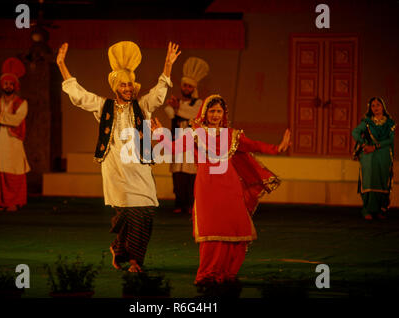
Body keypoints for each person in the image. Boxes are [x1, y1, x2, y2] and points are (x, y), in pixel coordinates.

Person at [57, 41, 181, 272]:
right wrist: (62, 65)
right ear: (115, 87)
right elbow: (79, 95)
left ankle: (119, 247)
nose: (127, 88)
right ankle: (135, 261)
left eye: (130, 84)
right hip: (116, 169)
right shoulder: (104, 107)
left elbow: (159, 92)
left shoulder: (142, 106)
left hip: (140, 169)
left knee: (145, 213)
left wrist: (167, 65)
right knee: (129, 213)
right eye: (123, 85)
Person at [152, 94, 291, 286]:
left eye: (219, 111)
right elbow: (172, 148)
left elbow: (255, 145)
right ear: (205, 112)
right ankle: (207, 273)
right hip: (207, 187)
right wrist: (159, 134)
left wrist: (277, 148)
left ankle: (227, 271)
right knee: (211, 231)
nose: (216, 115)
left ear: (224, 114)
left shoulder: (232, 135)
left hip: (230, 186)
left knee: (236, 229)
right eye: (212, 111)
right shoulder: (195, 133)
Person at [0, 57, 30, 212]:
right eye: (6, 83)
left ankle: (14, 202)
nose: (8, 86)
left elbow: (16, 120)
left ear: (15, 86)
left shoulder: (21, 103)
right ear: (2, 85)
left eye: (11, 84)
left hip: (13, 142)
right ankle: (1, 202)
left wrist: (0, 118)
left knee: (14, 171)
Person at [164, 57, 209, 214]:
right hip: (177, 142)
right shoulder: (177, 102)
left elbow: (193, 114)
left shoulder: (198, 103)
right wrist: (175, 109)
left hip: (192, 144)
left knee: (191, 176)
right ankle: (179, 204)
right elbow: (169, 112)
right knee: (178, 175)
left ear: (193, 88)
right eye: (185, 85)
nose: (187, 88)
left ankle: (190, 205)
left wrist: (177, 109)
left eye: (190, 86)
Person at [352, 97, 395, 220]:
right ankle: (367, 210)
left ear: (383, 107)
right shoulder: (367, 122)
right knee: (369, 181)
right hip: (369, 156)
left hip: (384, 154)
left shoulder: (389, 123)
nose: (376, 108)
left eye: (378, 105)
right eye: (373, 106)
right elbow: (355, 132)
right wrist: (365, 145)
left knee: (382, 180)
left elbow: (390, 140)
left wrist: (375, 147)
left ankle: (381, 209)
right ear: (370, 108)